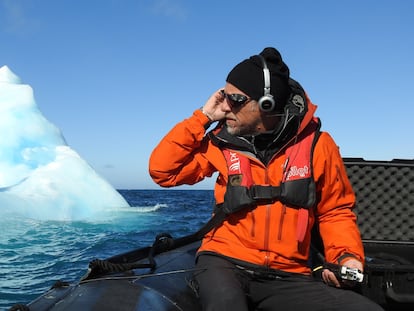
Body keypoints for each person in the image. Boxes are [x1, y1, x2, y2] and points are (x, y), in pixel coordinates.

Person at [149, 47, 383, 311]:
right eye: (223, 96)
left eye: (235, 99)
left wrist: (346, 256)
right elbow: (163, 172)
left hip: (289, 274)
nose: (225, 106)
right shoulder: (221, 141)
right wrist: (202, 117)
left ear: (266, 105)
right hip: (224, 262)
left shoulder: (318, 145)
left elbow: (335, 211)